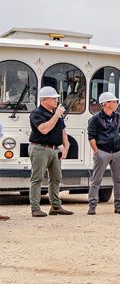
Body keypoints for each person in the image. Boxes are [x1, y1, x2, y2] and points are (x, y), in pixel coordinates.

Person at [28, 86, 73, 217]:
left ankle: (56, 206)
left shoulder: (55, 113)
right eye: (54, 99)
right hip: (40, 148)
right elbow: (44, 129)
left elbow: (63, 130)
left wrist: (66, 146)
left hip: (54, 149)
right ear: (44, 100)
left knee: (56, 178)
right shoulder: (36, 114)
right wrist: (57, 115)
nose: (56, 101)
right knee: (37, 178)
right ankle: (35, 208)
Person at [87, 91, 120, 215]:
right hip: (102, 151)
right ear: (105, 104)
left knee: (118, 180)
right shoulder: (95, 119)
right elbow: (91, 136)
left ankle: (119, 206)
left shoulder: (119, 117)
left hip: (117, 152)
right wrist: (96, 151)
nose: (116, 103)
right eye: (114, 101)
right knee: (96, 180)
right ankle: (92, 206)